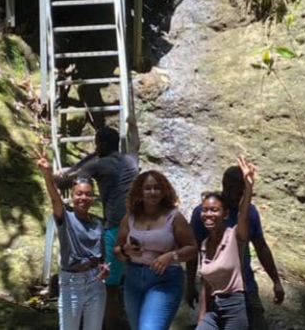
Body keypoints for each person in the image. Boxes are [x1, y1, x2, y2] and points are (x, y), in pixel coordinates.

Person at [55, 126, 139, 330]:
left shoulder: (101, 164)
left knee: (109, 290)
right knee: (130, 286)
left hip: (116, 231)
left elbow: (64, 180)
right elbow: (135, 145)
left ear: (100, 145)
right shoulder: (131, 161)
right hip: (138, 229)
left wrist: (87, 158)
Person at [187, 164, 285, 330]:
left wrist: (276, 281)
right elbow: (193, 249)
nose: (239, 196)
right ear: (226, 186)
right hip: (213, 290)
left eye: (242, 192)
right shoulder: (205, 215)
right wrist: (189, 284)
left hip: (243, 287)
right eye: (237, 191)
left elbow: (260, 246)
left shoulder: (245, 218)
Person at [113, 170, 198, 330]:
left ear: (164, 191)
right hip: (133, 279)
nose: (153, 192)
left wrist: (171, 256)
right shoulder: (130, 217)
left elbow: (192, 249)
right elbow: (116, 251)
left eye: (157, 188)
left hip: (164, 279)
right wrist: (126, 250)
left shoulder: (174, 217)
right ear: (140, 192)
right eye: (148, 188)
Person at [37, 154, 108, 330]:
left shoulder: (97, 224)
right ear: (73, 196)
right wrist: (47, 173)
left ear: (92, 198)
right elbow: (55, 199)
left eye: (88, 194)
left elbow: (102, 259)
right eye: (79, 194)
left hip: (95, 284)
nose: (83, 198)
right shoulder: (65, 218)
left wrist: (104, 268)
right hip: (71, 284)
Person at [194, 155, 258, 330]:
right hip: (214, 308)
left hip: (236, 307)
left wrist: (248, 186)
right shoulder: (205, 244)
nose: (208, 214)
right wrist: (201, 319)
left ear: (225, 214)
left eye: (214, 210)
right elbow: (207, 284)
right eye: (205, 210)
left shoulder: (235, 236)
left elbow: (243, 216)